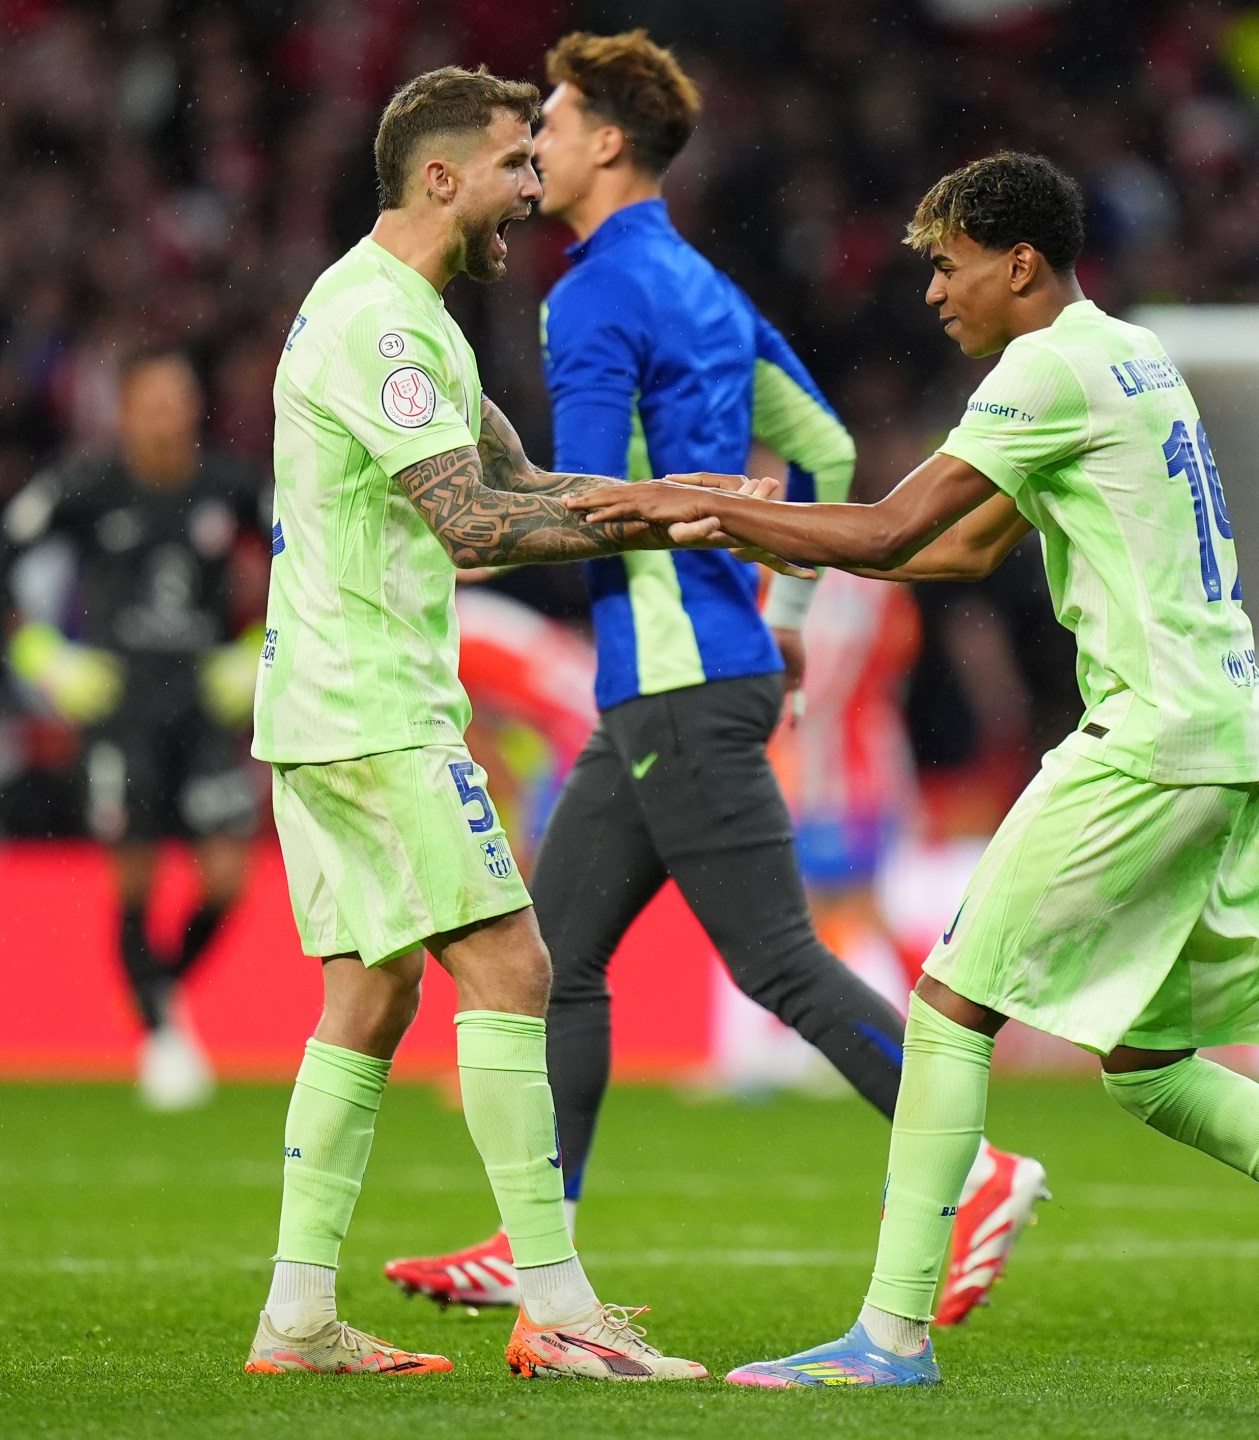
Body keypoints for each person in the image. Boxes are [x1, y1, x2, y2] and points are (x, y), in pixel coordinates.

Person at [570, 151, 1259, 1390]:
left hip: (1153, 738)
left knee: (949, 1003)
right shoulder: (1131, 352)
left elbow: (893, 527)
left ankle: (889, 1338)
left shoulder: (1044, 368)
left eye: (949, 266)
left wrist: (696, 508)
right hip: (1224, 733)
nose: (932, 293)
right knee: (1150, 1073)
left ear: (1020, 264)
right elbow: (958, 555)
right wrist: (768, 529)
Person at [382, 31, 1044, 1329]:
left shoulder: (591, 294)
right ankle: (536, 1242)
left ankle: (975, 1169)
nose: (536, 147)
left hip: (674, 680)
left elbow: (586, 501)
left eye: (552, 125)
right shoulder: (701, 285)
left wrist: (468, 529)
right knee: (561, 954)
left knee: (778, 961)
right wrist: (785, 610)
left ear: (607, 143)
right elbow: (824, 446)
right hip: (689, 673)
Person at [244, 64, 757, 1381]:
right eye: (516, 164)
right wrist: (669, 524)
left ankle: (296, 1316)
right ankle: (558, 1305)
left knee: (371, 993)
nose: (534, 188)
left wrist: (680, 498)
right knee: (517, 970)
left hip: (320, 701)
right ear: (441, 177)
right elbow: (473, 525)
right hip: (374, 706)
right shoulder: (384, 329)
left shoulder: (387, 307)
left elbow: (520, 479)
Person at [4, 353, 266, 1110]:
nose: (165, 415)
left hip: (205, 700)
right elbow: (0, 557)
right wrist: (44, 655)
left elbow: (305, 558)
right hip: (121, 704)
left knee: (227, 878)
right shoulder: (85, 487)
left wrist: (260, 650)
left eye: (178, 399)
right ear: (123, 413)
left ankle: (157, 997)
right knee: (136, 877)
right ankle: (161, 1031)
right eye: (150, 402)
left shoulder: (233, 486)